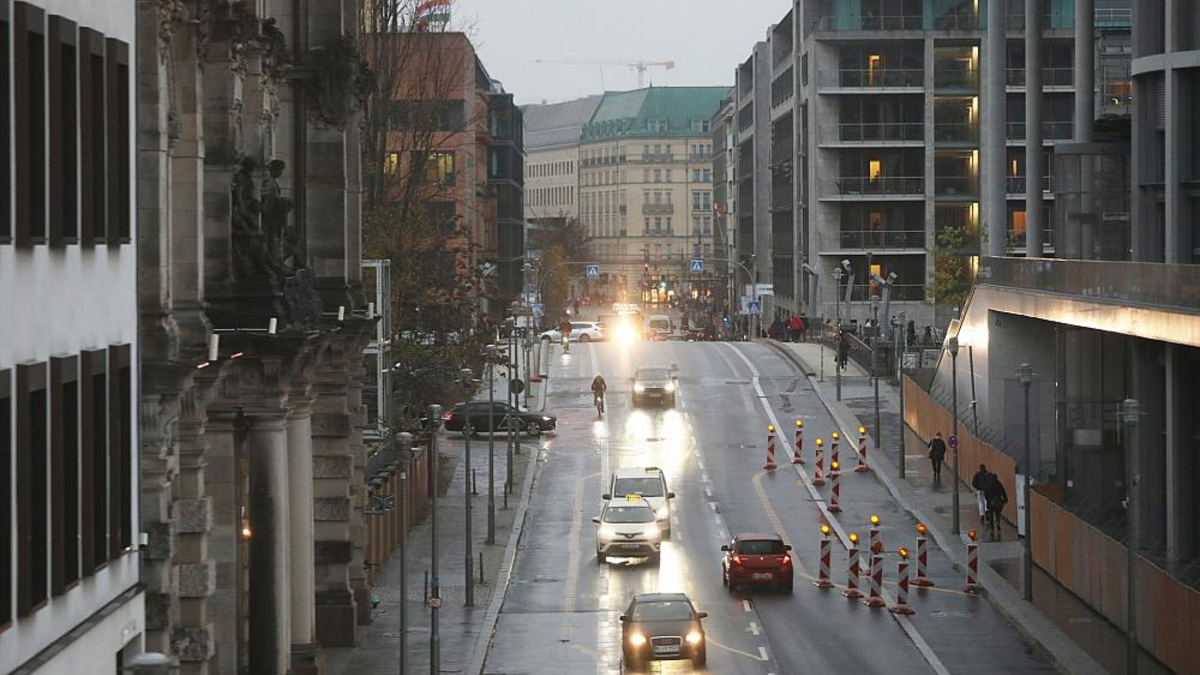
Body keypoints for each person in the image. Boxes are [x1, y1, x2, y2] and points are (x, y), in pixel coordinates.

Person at [983, 472, 1008, 539]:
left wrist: (988, 500)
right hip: (998, 502)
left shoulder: (988, 484)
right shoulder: (999, 484)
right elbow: (1003, 492)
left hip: (990, 502)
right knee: (998, 513)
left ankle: (992, 528)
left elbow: (986, 494)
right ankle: (998, 523)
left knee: (991, 514)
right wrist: (1005, 499)